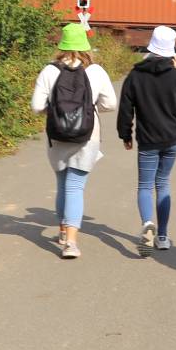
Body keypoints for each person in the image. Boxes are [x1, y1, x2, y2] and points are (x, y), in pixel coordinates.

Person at [31, 22, 119, 259]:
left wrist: (56, 111)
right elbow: (111, 104)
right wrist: (90, 108)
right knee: (75, 186)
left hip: (57, 137)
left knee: (62, 184)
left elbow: (37, 106)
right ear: (85, 46)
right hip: (87, 136)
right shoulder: (96, 72)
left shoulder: (49, 71)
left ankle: (62, 231)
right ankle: (70, 243)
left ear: (62, 44)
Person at [116, 25, 176, 251]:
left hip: (147, 140)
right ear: (171, 50)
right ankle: (162, 236)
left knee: (144, 185)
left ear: (151, 46)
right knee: (163, 183)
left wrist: (125, 135)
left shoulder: (135, 75)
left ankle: (147, 223)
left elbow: (125, 109)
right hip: (171, 140)